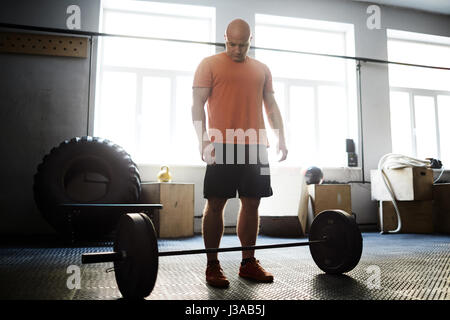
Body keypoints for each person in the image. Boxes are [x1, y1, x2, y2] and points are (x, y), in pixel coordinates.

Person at [191, 18, 288, 288]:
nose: (236, 49)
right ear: (225, 38)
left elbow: (271, 105)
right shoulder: (208, 64)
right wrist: (202, 139)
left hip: (256, 144)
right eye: (232, 44)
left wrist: (281, 137)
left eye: (242, 45)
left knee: (253, 202)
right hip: (222, 142)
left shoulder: (261, 69)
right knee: (216, 203)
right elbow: (197, 105)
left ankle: (248, 263)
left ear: (250, 41)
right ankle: (212, 265)